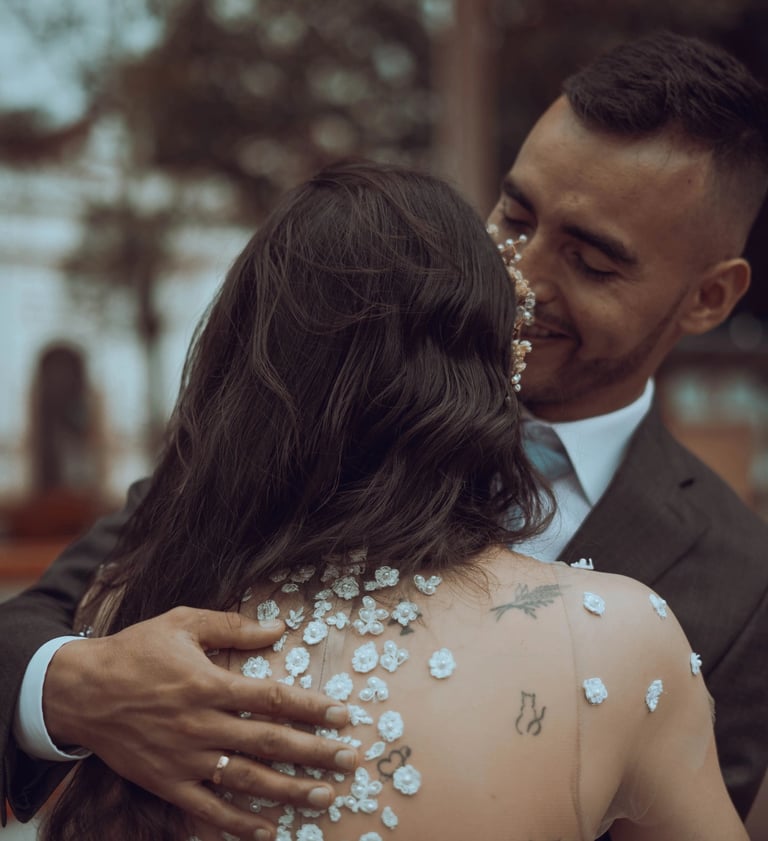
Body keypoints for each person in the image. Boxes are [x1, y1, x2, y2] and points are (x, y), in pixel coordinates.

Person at [0, 29, 766, 837]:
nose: (521, 276)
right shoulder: (306, 433)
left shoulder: (744, 585)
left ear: (710, 299)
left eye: (594, 262)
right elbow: (32, 621)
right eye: (515, 213)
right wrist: (72, 687)